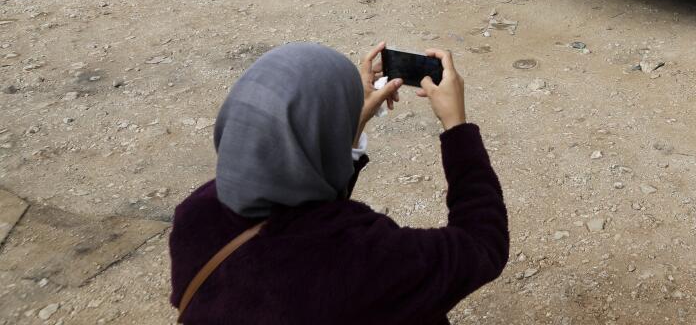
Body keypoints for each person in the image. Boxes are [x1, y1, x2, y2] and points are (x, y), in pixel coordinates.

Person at [169, 42, 508, 323]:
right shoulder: (365, 260)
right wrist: (457, 126)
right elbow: (482, 244)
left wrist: (349, 128)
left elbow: (306, 211)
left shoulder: (194, 215)